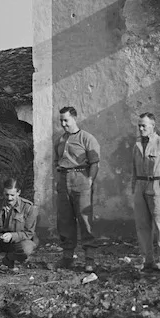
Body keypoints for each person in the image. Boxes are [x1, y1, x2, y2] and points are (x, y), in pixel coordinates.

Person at [54, 106, 100, 271]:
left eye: (66, 120)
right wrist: (58, 180)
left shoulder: (87, 138)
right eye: (61, 121)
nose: (63, 124)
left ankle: (89, 258)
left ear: (74, 118)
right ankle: (67, 257)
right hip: (63, 179)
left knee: (84, 218)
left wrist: (89, 180)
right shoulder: (60, 140)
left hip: (81, 178)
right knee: (65, 219)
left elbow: (94, 162)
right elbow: (56, 161)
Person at [131, 112, 160, 272]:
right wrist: (134, 188)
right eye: (139, 125)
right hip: (140, 185)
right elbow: (133, 169)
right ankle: (147, 258)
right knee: (142, 225)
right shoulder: (137, 145)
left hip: (157, 185)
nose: (141, 128)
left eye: (144, 125)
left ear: (153, 126)